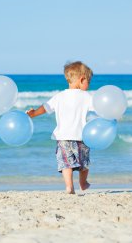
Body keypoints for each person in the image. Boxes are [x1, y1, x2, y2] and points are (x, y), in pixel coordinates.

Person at [27, 61, 94, 194]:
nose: (88, 85)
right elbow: (99, 108)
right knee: (84, 163)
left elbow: (46, 107)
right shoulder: (87, 97)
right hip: (82, 136)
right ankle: (83, 182)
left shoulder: (59, 96)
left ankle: (69, 186)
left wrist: (33, 114)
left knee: (66, 163)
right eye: (88, 82)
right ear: (81, 79)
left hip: (62, 137)